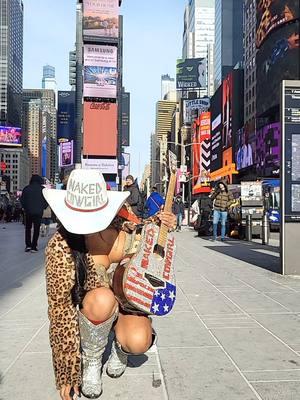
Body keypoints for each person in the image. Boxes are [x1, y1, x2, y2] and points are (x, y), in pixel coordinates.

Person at [43, 169, 176, 400]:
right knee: (102, 298)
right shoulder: (60, 246)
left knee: (139, 342)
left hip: (127, 302)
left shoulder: (123, 222)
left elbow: (147, 231)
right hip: (96, 306)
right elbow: (59, 311)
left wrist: (164, 223)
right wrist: (67, 372)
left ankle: (119, 348)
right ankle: (93, 359)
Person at [20, 175, 48, 252]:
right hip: (38, 212)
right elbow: (46, 201)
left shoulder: (26, 188)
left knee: (28, 228)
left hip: (28, 212)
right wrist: (43, 207)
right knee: (36, 229)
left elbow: (22, 200)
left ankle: (28, 245)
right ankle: (34, 246)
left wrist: (25, 208)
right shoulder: (43, 189)